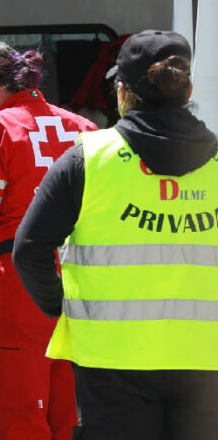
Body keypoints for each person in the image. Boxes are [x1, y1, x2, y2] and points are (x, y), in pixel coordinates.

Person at [12, 30, 218, 440]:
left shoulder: (86, 159)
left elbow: (29, 251)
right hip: (206, 357)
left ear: (121, 92)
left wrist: (63, 307)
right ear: (188, 88)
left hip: (110, 358)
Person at [0, 42, 97, 439]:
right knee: (66, 405)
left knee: (21, 408)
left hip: (22, 277)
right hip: (83, 274)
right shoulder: (85, 128)